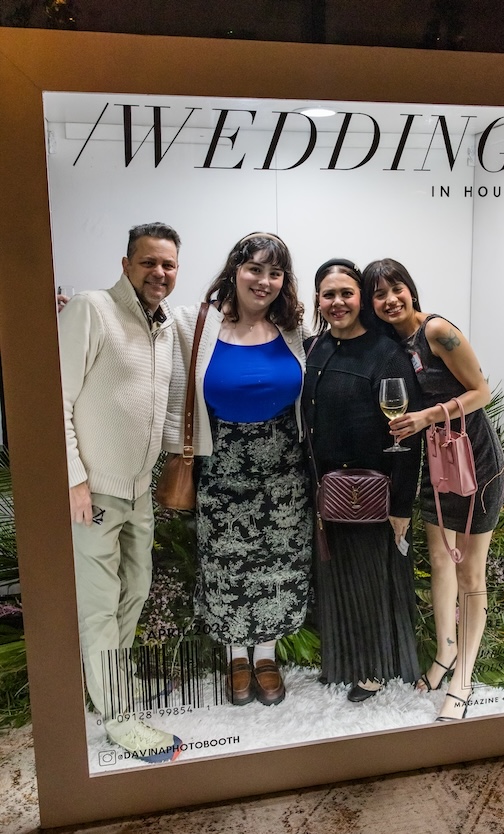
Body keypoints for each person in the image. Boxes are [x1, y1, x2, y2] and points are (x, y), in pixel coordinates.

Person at [163, 232, 312, 707]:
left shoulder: (294, 330)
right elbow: (139, 324)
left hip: (285, 472)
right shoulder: (196, 324)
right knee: (226, 567)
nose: (264, 281)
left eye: (274, 273)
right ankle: (235, 659)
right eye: (254, 269)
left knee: (278, 567)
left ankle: (266, 656)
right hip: (221, 468)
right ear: (234, 271)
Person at [59, 222, 183, 761]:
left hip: (138, 493)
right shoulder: (91, 308)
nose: (159, 273)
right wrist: (74, 480)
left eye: (169, 265)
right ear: (127, 263)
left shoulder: (165, 323)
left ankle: (112, 694)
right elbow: (56, 399)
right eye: (149, 262)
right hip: (95, 494)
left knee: (133, 595)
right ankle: (118, 717)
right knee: (99, 608)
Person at [363, 258, 504, 721]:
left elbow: (481, 391)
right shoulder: (393, 343)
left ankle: (462, 677)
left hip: (475, 462)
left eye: (395, 288)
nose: (389, 300)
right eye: (378, 294)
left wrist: (427, 417)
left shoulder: (438, 330)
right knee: (441, 562)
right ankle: (444, 654)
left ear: (410, 288)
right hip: (438, 466)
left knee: (471, 576)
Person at [302, 259, 421, 702]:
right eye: (329, 294)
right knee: (338, 580)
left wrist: (401, 507)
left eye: (347, 293)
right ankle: (343, 662)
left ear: (362, 299)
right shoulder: (313, 348)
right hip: (324, 492)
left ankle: (372, 668)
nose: (338, 303)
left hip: (371, 494)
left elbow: (407, 437)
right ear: (318, 299)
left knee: (371, 581)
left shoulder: (386, 353)